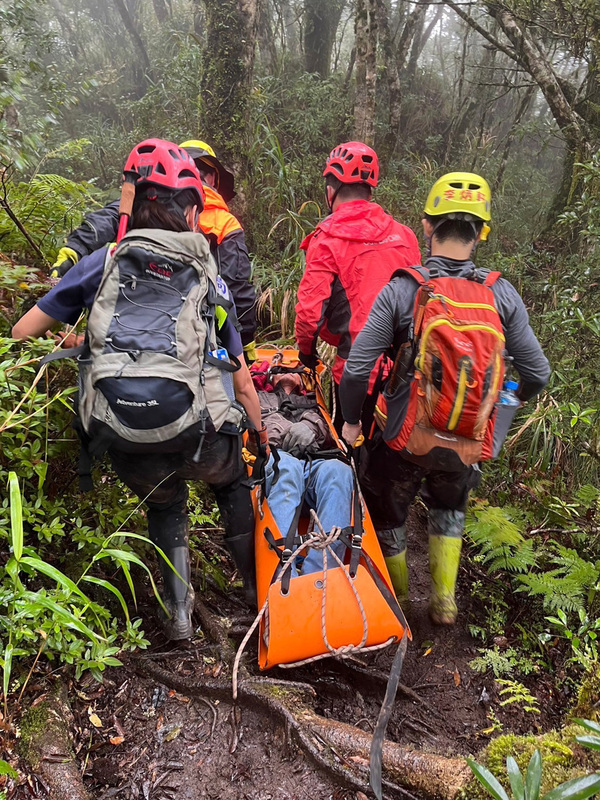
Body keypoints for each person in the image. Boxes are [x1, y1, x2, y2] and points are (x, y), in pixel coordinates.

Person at [13, 139, 266, 641]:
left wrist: (84, 340)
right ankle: (259, 595)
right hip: (198, 435)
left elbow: (24, 331)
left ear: (135, 201)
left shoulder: (103, 261)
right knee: (232, 480)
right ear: (192, 211)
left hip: (121, 431)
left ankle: (177, 620)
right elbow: (240, 376)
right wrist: (259, 434)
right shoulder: (208, 277)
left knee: (164, 502)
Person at [340, 172, 550, 625]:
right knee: (449, 507)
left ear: (427, 225)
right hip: (467, 442)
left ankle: (396, 600)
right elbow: (537, 372)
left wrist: (352, 423)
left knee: (388, 510)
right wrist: (501, 405)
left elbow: (357, 368)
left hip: (404, 439)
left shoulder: (403, 289)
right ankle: (444, 602)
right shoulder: (500, 294)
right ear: (481, 233)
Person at [51, 139, 258, 361]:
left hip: (126, 330)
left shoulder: (145, 205)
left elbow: (107, 220)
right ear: (214, 179)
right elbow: (236, 287)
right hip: (198, 339)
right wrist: (243, 347)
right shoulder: (225, 222)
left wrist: (74, 250)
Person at [294, 141, 421, 432]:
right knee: (387, 441)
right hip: (402, 367)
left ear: (331, 188)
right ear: (370, 190)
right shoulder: (405, 236)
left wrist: (306, 353)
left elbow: (310, 312)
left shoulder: (326, 238)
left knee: (346, 442)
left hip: (354, 370)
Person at [255, 366, 353, 575]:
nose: (288, 372)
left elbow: (327, 429)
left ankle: (322, 572)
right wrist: (287, 430)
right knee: (287, 469)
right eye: (280, 369)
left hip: (314, 461)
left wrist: (310, 426)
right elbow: (255, 426)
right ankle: (283, 574)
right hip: (279, 457)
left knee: (340, 471)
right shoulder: (259, 398)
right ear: (270, 378)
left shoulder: (313, 403)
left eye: (293, 371)